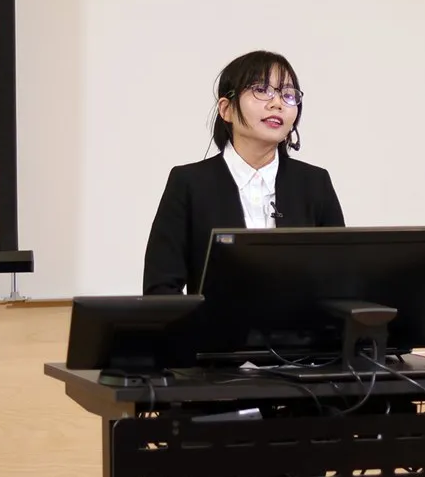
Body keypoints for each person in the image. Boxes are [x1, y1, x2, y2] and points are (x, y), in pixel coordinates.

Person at [142, 51, 345, 295]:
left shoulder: (314, 183)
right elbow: (161, 289)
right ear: (226, 109)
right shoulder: (189, 184)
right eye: (261, 90)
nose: (277, 103)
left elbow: (339, 281)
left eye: (288, 94)